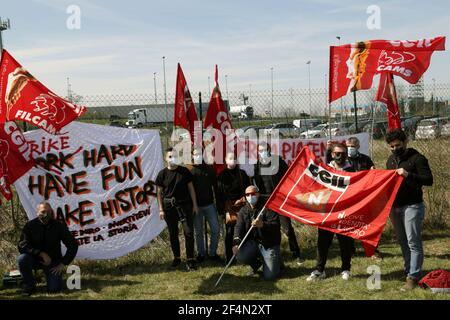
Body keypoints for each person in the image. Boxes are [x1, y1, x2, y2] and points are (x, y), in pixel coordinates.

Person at [385, 129, 433, 291]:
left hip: (412, 206)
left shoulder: (418, 159)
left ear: (405, 142)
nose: (394, 149)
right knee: (403, 241)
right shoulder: (391, 160)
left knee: (413, 241)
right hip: (395, 207)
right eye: (391, 146)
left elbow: (428, 180)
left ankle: (413, 277)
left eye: (397, 145)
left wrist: (407, 174)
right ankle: (409, 271)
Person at [307, 143, 355, 281]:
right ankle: (319, 270)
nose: (340, 156)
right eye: (337, 153)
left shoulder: (351, 170)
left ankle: (346, 269)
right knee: (323, 242)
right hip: (327, 212)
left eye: (343, 153)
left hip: (343, 212)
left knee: (345, 242)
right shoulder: (326, 168)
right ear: (332, 154)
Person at [252, 142, 303, 265]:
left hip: (280, 199)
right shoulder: (257, 165)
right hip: (266, 201)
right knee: (267, 227)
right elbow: (257, 183)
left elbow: (289, 175)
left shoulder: (278, 161)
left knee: (287, 228)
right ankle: (272, 253)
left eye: (264, 149)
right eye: (260, 150)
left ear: (269, 149)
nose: (262, 152)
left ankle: (296, 252)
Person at [17, 202, 78, 296]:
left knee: (54, 289)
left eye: (49, 211)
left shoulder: (59, 225)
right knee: (22, 259)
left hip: (53, 262)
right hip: (35, 259)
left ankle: (52, 280)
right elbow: (22, 246)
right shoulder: (30, 226)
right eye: (43, 211)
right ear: (37, 212)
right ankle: (29, 285)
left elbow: (73, 245)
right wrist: (41, 253)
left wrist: (63, 263)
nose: (47, 214)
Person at [156, 147, 200, 271]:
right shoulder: (162, 174)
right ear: (166, 158)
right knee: (173, 233)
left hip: (185, 205)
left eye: (174, 156)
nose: (172, 158)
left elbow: (191, 189)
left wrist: (195, 205)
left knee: (188, 233)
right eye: (170, 156)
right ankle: (177, 258)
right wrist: (161, 209)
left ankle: (190, 259)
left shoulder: (184, 171)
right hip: (169, 207)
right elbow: (158, 192)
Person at [233, 185, 282, 280]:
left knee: (270, 276)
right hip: (253, 242)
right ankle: (256, 264)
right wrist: (236, 243)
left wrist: (263, 225)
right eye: (247, 194)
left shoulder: (268, 207)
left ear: (258, 194)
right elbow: (238, 228)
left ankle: (277, 262)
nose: (250, 196)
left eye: (253, 194)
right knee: (239, 255)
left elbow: (276, 225)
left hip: (269, 244)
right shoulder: (243, 210)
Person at [345, 137, 383, 260]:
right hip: (349, 198)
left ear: (358, 147)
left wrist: (373, 172)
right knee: (349, 223)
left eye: (352, 146)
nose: (350, 148)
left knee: (368, 224)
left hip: (364, 198)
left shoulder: (365, 160)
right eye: (348, 146)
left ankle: (372, 250)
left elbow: (373, 174)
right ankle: (350, 250)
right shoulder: (343, 160)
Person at [190, 148, 222, 263]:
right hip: (196, 207)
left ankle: (212, 253)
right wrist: (192, 206)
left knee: (215, 229)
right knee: (198, 232)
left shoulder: (209, 169)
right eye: (195, 154)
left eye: (199, 153)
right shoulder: (191, 172)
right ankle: (201, 254)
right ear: (192, 156)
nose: (197, 155)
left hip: (209, 205)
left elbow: (216, 188)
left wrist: (218, 204)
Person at [218, 152, 250, 264]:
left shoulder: (242, 174)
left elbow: (248, 191)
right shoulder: (221, 176)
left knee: (244, 230)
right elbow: (219, 195)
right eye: (230, 158)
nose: (233, 160)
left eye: (235, 158)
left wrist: (242, 200)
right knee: (230, 233)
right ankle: (230, 258)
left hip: (242, 207)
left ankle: (245, 256)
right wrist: (222, 210)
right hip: (229, 209)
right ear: (226, 160)